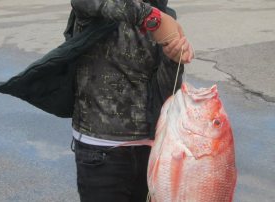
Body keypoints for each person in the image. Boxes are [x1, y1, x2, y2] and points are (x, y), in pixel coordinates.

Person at [69, 0, 193, 202]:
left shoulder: (163, 13)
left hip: (151, 152)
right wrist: (153, 18)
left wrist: (172, 59)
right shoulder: (103, 9)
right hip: (102, 151)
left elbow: (166, 94)